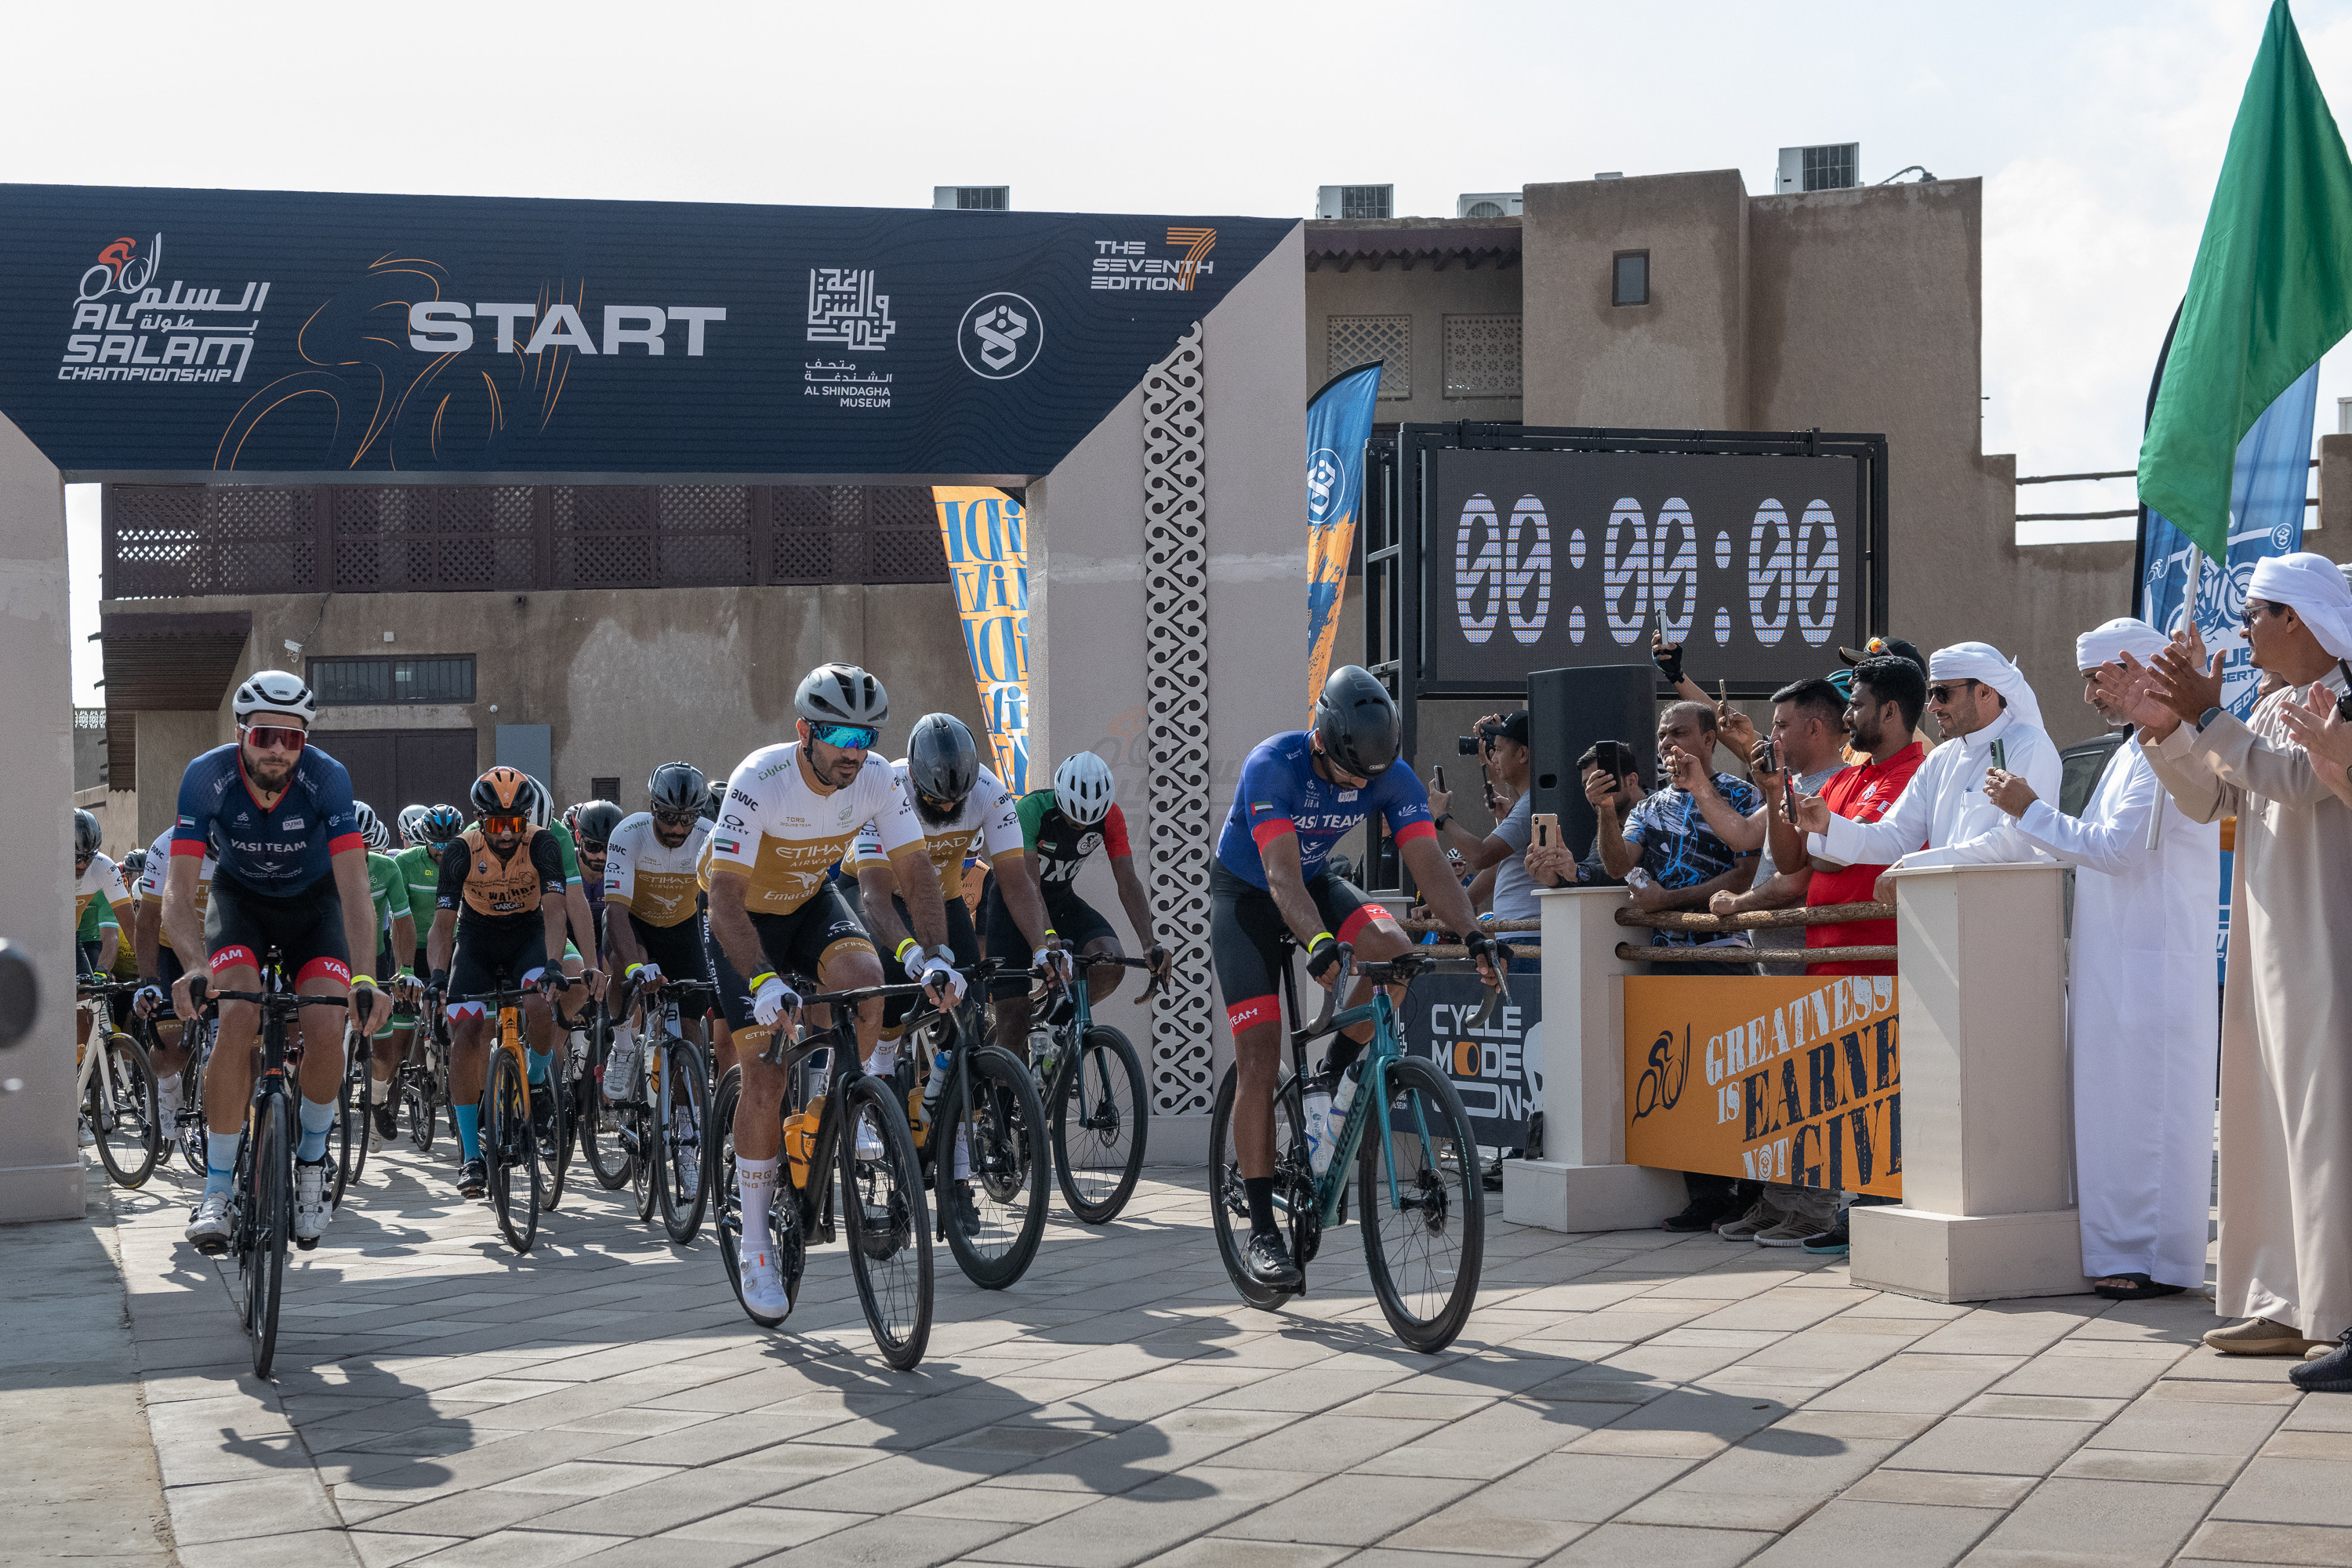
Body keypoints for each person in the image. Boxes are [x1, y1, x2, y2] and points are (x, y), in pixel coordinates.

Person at [2110, 552, 2352, 1385]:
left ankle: (2335, 1309)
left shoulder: (2340, 697)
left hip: (2323, 940)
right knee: (2266, 1123)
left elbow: (2296, 780)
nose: (2243, 629)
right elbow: (2215, 797)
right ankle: (2286, 1299)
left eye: (2254, 614)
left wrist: (2209, 715)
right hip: (2266, 943)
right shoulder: (2276, 703)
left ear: (2298, 619)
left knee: (2323, 1130)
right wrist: (2167, 728)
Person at [1210, 666, 1500, 1291]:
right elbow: (1280, 876)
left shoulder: (1389, 773)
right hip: (1248, 898)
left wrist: (1473, 933)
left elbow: (1429, 865)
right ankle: (1262, 1232)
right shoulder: (1273, 766)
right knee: (1258, 1056)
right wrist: (1317, 942)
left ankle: (1334, 1073)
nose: (1360, 786)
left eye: (1371, 777)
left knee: (1396, 954)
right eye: (1349, 775)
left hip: (1315, 881)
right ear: (1321, 741)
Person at [704, 663, 964, 1323]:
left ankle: (827, 1111)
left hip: (809, 904)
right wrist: (762, 980)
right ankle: (756, 1242)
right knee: (764, 1073)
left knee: (866, 984)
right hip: (743, 919)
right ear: (805, 731)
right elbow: (724, 900)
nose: (855, 751)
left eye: (867, 736)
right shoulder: (759, 779)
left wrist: (936, 956)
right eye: (841, 735)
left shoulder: (875, 778)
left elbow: (917, 873)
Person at [1980, 617, 2220, 1302]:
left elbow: (2116, 850)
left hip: (2153, 965)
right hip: (2114, 962)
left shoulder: (2170, 749)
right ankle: (2121, 1248)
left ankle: (2154, 1259)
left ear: (2140, 670)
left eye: (2098, 679)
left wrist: (2029, 810)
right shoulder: (2130, 751)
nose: (2089, 696)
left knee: (2148, 1113)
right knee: (2114, 1112)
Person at [165, 671, 389, 1251]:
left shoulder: (327, 778)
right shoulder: (206, 777)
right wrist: (194, 965)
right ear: (241, 731)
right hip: (240, 903)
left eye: (292, 739)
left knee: (326, 1023)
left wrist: (366, 975)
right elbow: (178, 890)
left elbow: (355, 889)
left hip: (315, 908)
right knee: (236, 1015)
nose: (277, 750)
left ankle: (311, 1163)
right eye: (265, 736)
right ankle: (217, 1190)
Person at [1756, 655, 1930, 1256]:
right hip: (1826, 961)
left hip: (1881, 965)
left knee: (1882, 1100)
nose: (1847, 715)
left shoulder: (1918, 773)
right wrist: (1776, 793)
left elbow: (1845, 854)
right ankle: (1849, 1211)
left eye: (1856, 705)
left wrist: (1824, 837)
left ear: (1891, 711)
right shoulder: (1847, 778)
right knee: (1839, 1102)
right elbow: (1794, 861)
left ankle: (1880, 1212)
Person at [1677, 677, 1852, 1248]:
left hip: (1807, 952)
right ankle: (1777, 1200)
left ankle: (1816, 1207)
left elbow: (1797, 880)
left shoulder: (1841, 785)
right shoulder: (1788, 783)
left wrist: (1742, 903)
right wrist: (1699, 784)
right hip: (1771, 953)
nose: (1769, 735)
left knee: (1815, 1082)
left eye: (1780, 725)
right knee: (1778, 1082)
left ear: (1815, 728)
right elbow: (1741, 833)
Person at [1595, 702, 1760, 1233]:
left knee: (1736, 1075)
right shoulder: (1649, 807)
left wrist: (1667, 901)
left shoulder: (1742, 795)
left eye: (1680, 733)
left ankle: (1751, 1194)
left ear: (1710, 739)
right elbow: (1618, 865)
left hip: (1726, 954)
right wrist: (1605, 810)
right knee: (1685, 1081)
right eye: (1663, 734)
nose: (1668, 743)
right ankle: (1705, 1196)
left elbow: (1743, 877)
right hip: (1666, 958)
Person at [849, 715, 1065, 1065]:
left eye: (959, 799)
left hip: (942, 899)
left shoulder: (990, 792)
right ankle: (881, 1061)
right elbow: (874, 897)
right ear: (914, 778)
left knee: (970, 1011)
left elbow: (1016, 882)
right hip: (880, 893)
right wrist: (910, 953)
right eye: (935, 800)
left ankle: (951, 1087)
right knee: (893, 970)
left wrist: (1041, 947)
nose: (949, 807)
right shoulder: (887, 786)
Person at [1789, 641, 2062, 891]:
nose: (1932, 707)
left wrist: (1918, 866)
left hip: (2012, 912)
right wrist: (1829, 825)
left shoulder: (2029, 746)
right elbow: (1895, 836)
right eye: (1932, 693)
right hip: (1948, 910)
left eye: (1943, 694)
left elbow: (2013, 843)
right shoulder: (1940, 759)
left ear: (1985, 691)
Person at [427, 767, 575, 1200]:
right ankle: (472, 1156)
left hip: (528, 935)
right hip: (477, 940)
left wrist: (553, 963)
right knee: (465, 1030)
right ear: (480, 820)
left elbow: (555, 911)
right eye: (496, 825)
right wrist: (437, 976)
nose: (507, 833)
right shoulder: (460, 851)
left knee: (540, 1004)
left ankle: (537, 1079)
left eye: (515, 823)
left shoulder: (543, 844)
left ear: (526, 818)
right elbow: (442, 924)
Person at [982, 751, 1171, 1066]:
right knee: (1013, 1023)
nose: (1081, 827)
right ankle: (1003, 1091)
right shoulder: (1030, 810)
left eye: (1088, 822)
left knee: (1110, 960)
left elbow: (1128, 882)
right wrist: (1048, 936)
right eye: (1073, 821)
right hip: (1012, 906)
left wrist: (1150, 943)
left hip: (1061, 900)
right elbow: (1030, 887)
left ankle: (1057, 1025)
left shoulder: (1111, 817)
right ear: (1059, 799)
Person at [601, 765, 717, 1103]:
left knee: (690, 1033)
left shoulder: (709, 836)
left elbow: (726, 903)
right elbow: (616, 911)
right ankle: (624, 1047)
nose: (677, 828)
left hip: (683, 929)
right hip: (634, 923)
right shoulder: (628, 833)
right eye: (668, 817)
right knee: (627, 966)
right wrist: (635, 968)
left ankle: (686, 1121)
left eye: (687, 819)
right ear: (653, 807)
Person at [376, 803, 461, 1138]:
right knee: (400, 1039)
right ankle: (383, 1100)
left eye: (448, 845)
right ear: (424, 840)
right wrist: (404, 968)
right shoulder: (406, 863)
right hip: (412, 949)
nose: (442, 851)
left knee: (459, 1024)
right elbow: (400, 921)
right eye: (436, 845)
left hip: (448, 947)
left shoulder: (465, 859)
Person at [1429, 712, 1541, 924]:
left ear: (1522, 754)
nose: (1493, 758)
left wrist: (1442, 816)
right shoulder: (1527, 802)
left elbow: (1481, 856)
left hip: (1526, 935)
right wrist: (1452, 905)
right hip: (1518, 932)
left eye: (1498, 750)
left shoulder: (1530, 805)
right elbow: (1497, 866)